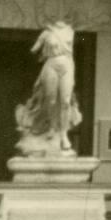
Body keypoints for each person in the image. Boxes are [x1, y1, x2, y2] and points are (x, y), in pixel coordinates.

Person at [16, 21, 82, 154]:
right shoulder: (47, 33)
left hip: (67, 65)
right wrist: (39, 45)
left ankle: (63, 134)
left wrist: (73, 75)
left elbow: (71, 55)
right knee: (50, 100)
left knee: (65, 101)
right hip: (51, 64)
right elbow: (34, 49)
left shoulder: (70, 31)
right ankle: (52, 127)